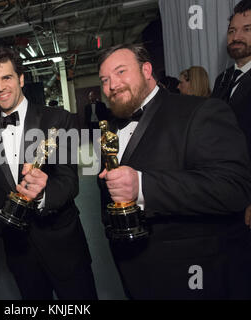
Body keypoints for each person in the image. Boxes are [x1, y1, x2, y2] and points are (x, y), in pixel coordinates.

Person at [97, 43, 251, 299]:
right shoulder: (108, 129)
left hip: (192, 272)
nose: (112, 85)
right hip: (133, 269)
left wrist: (143, 186)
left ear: (146, 70)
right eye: (105, 79)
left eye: (121, 71)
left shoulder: (200, 111)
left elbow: (233, 187)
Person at [0, 47, 97, 300]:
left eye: (7, 78)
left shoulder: (58, 119)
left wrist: (43, 194)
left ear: (21, 79)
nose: (0, 87)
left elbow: (69, 181)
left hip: (64, 245)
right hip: (19, 252)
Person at [211, 0, 251, 229]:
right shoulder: (223, 80)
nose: (237, 37)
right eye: (232, 31)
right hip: (225, 193)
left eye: (247, 29)